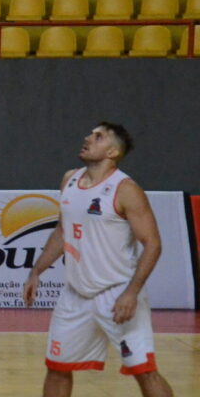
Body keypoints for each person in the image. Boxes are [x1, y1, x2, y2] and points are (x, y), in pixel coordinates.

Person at [23, 123, 174, 397]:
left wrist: (131, 292)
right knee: (57, 367)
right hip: (75, 295)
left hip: (117, 294)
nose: (87, 138)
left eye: (98, 136)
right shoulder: (69, 179)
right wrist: (36, 272)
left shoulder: (126, 189)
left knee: (144, 371)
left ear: (113, 151)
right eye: (90, 134)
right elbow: (62, 230)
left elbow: (153, 244)